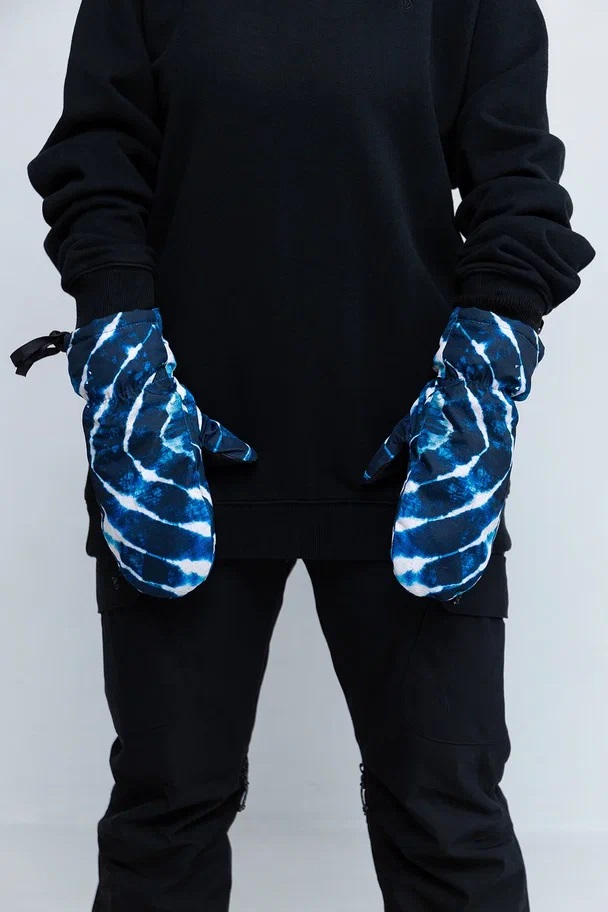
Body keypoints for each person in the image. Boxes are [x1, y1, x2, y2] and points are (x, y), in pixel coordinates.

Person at [16, 1, 594, 910]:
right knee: (165, 812)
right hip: (176, 457)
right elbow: (97, 162)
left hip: (419, 464)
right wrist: (124, 359)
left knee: (450, 820)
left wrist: (481, 378)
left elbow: (519, 189)